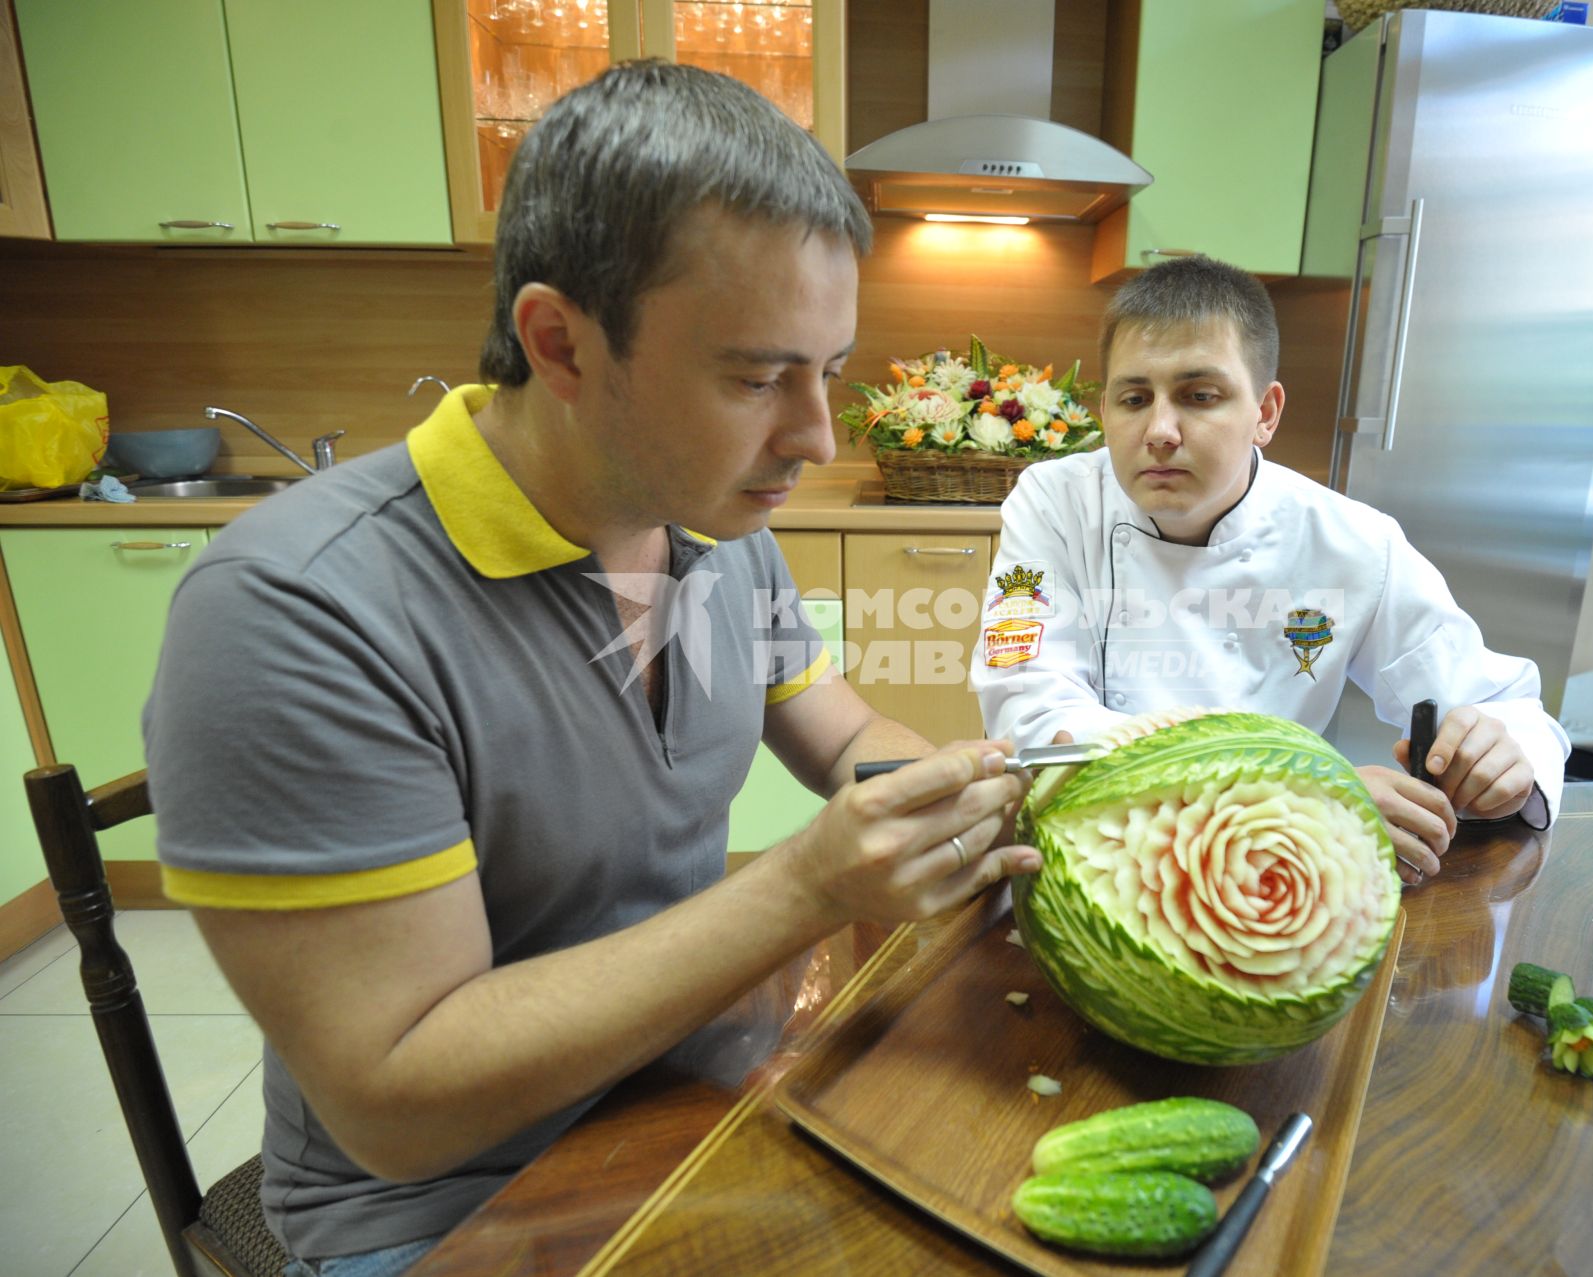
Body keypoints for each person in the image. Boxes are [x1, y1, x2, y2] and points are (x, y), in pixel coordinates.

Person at [143, 62, 1038, 1276]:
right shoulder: (298, 612)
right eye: (756, 376)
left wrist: (977, 795)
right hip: (447, 1209)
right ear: (560, 343)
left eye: (828, 371)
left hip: (693, 1083)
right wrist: (807, 887)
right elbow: (400, 1098)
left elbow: (837, 727)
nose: (814, 437)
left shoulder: (717, 534)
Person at [973, 255, 1567, 882]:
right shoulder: (1054, 503)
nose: (1160, 431)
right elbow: (1034, 720)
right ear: (1104, 410)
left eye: (1199, 396)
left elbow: (1507, 707)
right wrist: (1298, 793)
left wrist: (1502, 758)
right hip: (1097, 857)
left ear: (1266, 413)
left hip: (1271, 877)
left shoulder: (1353, 543)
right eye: (1134, 398)